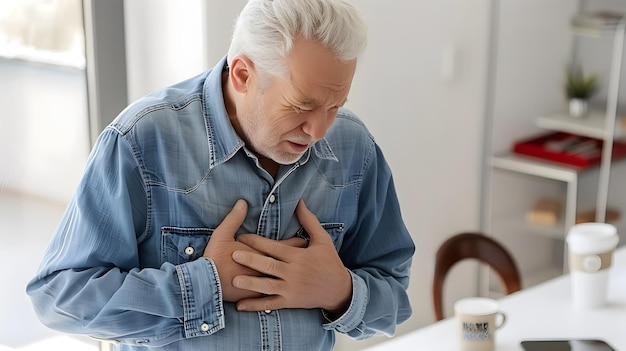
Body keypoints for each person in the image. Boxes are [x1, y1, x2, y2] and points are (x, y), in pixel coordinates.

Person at [26, 0, 415, 350]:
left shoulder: (355, 147)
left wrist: (339, 291)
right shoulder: (141, 141)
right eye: (302, 105)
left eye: (335, 106)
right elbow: (61, 298)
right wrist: (204, 285)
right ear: (243, 74)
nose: (319, 131)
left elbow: (394, 296)